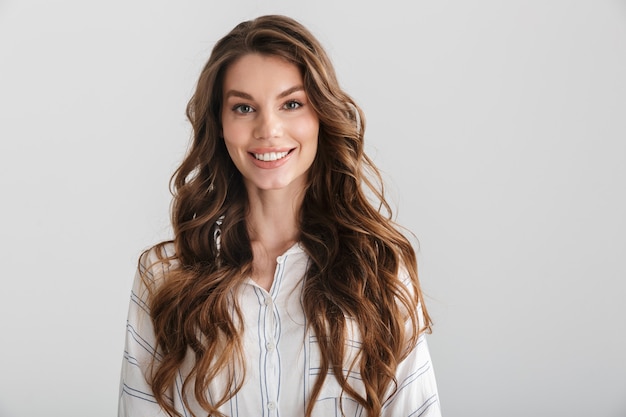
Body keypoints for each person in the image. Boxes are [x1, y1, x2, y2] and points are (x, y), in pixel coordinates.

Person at [118, 14, 441, 417]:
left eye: (291, 104)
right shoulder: (163, 275)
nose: (268, 129)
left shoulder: (379, 270)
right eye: (243, 107)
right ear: (220, 124)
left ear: (320, 114)